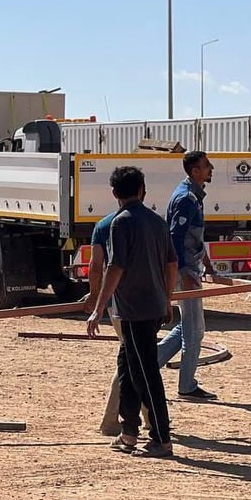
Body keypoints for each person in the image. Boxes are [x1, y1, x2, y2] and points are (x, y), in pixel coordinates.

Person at [86, 166, 177, 458]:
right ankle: (128, 432)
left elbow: (115, 267)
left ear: (115, 193)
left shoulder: (120, 222)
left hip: (136, 310)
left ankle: (161, 438)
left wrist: (99, 307)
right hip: (149, 307)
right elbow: (171, 264)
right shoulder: (157, 222)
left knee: (146, 374)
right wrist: (167, 300)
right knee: (127, 369)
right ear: (142, 190)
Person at [157, 150, 218, 400]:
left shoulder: (193, 196)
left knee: (190, 326)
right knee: (194, 331)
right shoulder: (186, 199)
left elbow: (194, 239)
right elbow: (176, 239)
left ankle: (150, 364)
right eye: (206, 165)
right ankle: (187, 386)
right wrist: (184, 272)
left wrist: (207, 264)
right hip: (185, 272)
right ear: (195, 171)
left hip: (189, 269)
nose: (211, 168)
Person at [85, 209, 150, 437]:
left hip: (117, 302)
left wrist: (95, 296)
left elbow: (96, 266)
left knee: (134, 358)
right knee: (132, 359)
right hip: (141, 302)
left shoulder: (104, 225)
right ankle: (111, 418)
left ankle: (148, 417)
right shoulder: (149, 223)